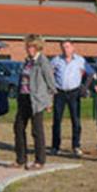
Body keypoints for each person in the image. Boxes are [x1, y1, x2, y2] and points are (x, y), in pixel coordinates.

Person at [12, 34, 56, 170]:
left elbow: (51, 84)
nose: (29, 49)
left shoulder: (43, 62)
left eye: (32, 46)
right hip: (24, 97)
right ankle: (21, 159)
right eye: (28, 46)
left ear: (38, 47)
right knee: (18, 127)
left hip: (37, 100)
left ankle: (40, 160)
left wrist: (49, 102)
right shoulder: (28, 61)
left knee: (36, 130)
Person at [50, 40, 89, 156]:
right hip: (60, 92)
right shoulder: (56, 60)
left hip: (74, 92)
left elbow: (91, 73)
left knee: (76, 120)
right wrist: (51, 88)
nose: (65, 49)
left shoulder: (80, 60)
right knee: (57, 120)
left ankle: (76, 145)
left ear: (73, 47)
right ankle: (55, 146)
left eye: (67, 47)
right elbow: (49, 73)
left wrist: (84, 87)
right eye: (63, 47)